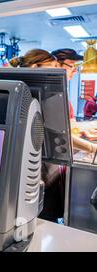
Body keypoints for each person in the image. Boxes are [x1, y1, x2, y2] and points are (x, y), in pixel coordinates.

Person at [10, 49, 97, 223]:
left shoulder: (31, 95)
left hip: (39, 169)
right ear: (35, 67)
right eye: (52, 68)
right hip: (38, 171)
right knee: (41, 217)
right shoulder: (35, 96)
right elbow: (56, 132)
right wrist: (92, 147)